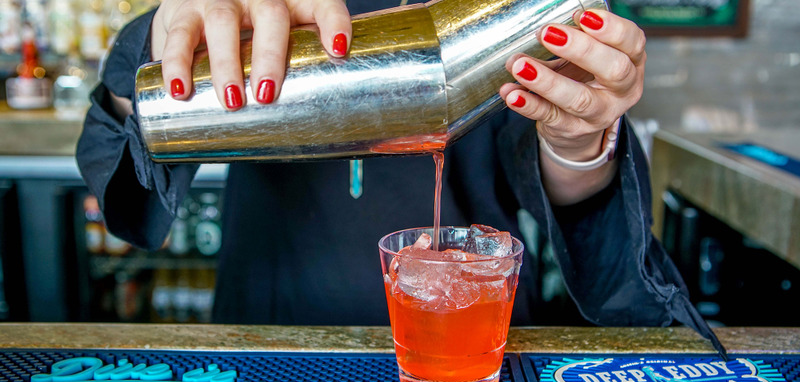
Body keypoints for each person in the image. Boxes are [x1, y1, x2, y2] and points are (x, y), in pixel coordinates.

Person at [77, 0, 724, 354]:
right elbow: (128, 177)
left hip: (472, 358)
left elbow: (568, 187)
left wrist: (580, 132)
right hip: (272, 346)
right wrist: (166, 38)